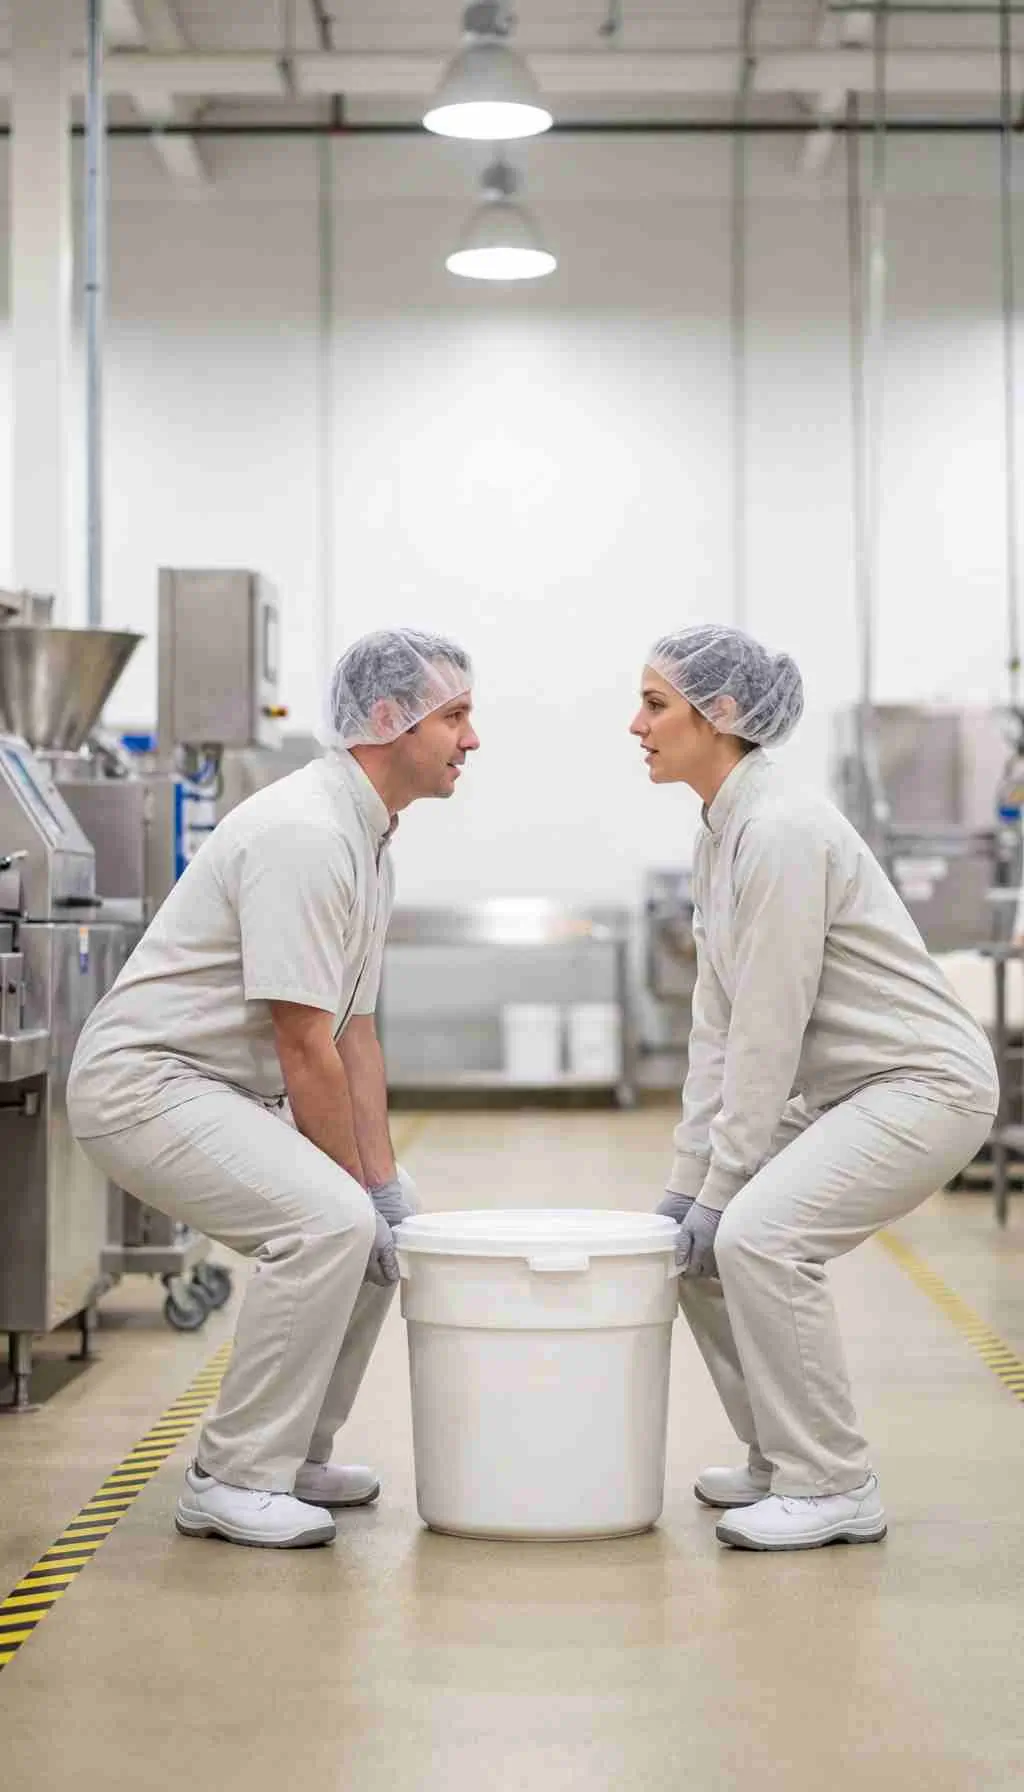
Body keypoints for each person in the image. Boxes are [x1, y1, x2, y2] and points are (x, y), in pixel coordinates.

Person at [68, 628, 479, 1550]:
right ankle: (232, 1474)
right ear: (387, 720)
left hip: (215, 1086)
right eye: (454, 717)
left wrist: (381, 1184)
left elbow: (355, 1031)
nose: (472, 739)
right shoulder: (306, 833)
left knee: (383, 1222)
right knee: (330, 1221)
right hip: (147, 1083)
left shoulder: (368, 838)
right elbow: (304, 1043)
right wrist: (352, 1194)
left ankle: (294, 1453)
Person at [630, 624, 998, 1552]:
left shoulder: (784, 831)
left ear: (719, 716)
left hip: (924, 1085)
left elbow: (768, 1027)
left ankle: (834, 1483)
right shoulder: (725, 830)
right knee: (693, 1248)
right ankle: (778, 1458)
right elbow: (715, 1027)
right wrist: (688, 1184)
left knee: (756, 1234)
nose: (636, 724)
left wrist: (725, 1187)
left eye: (655, 704)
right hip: (851, 1089)